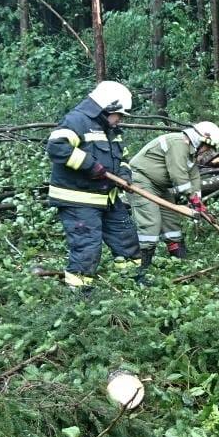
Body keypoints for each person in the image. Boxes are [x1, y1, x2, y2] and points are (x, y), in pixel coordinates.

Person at [45, 80, 144, 293]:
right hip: (78, 199)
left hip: (108, 197)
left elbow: (123, 158)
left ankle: (131, 282)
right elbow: (56, 147)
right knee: (87, 246)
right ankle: (80, 293)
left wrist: (124, 175)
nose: (120, 120)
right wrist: (90, 165)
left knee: (126, 238)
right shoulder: (76, 121)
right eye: (118, 114)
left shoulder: (111, 130)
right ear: (106, 107)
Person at [129, 121, 219, 281]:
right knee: (151, 222)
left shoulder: (191, 153)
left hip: (160, 186)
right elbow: (178, 175)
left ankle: (181, 264)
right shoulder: (178, 143)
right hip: (141, 180)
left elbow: (194, 177)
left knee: (172, 223)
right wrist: (191, 197)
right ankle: (141, 270)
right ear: (201, 139)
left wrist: (198, 203)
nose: (207, 150)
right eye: (208, 146)